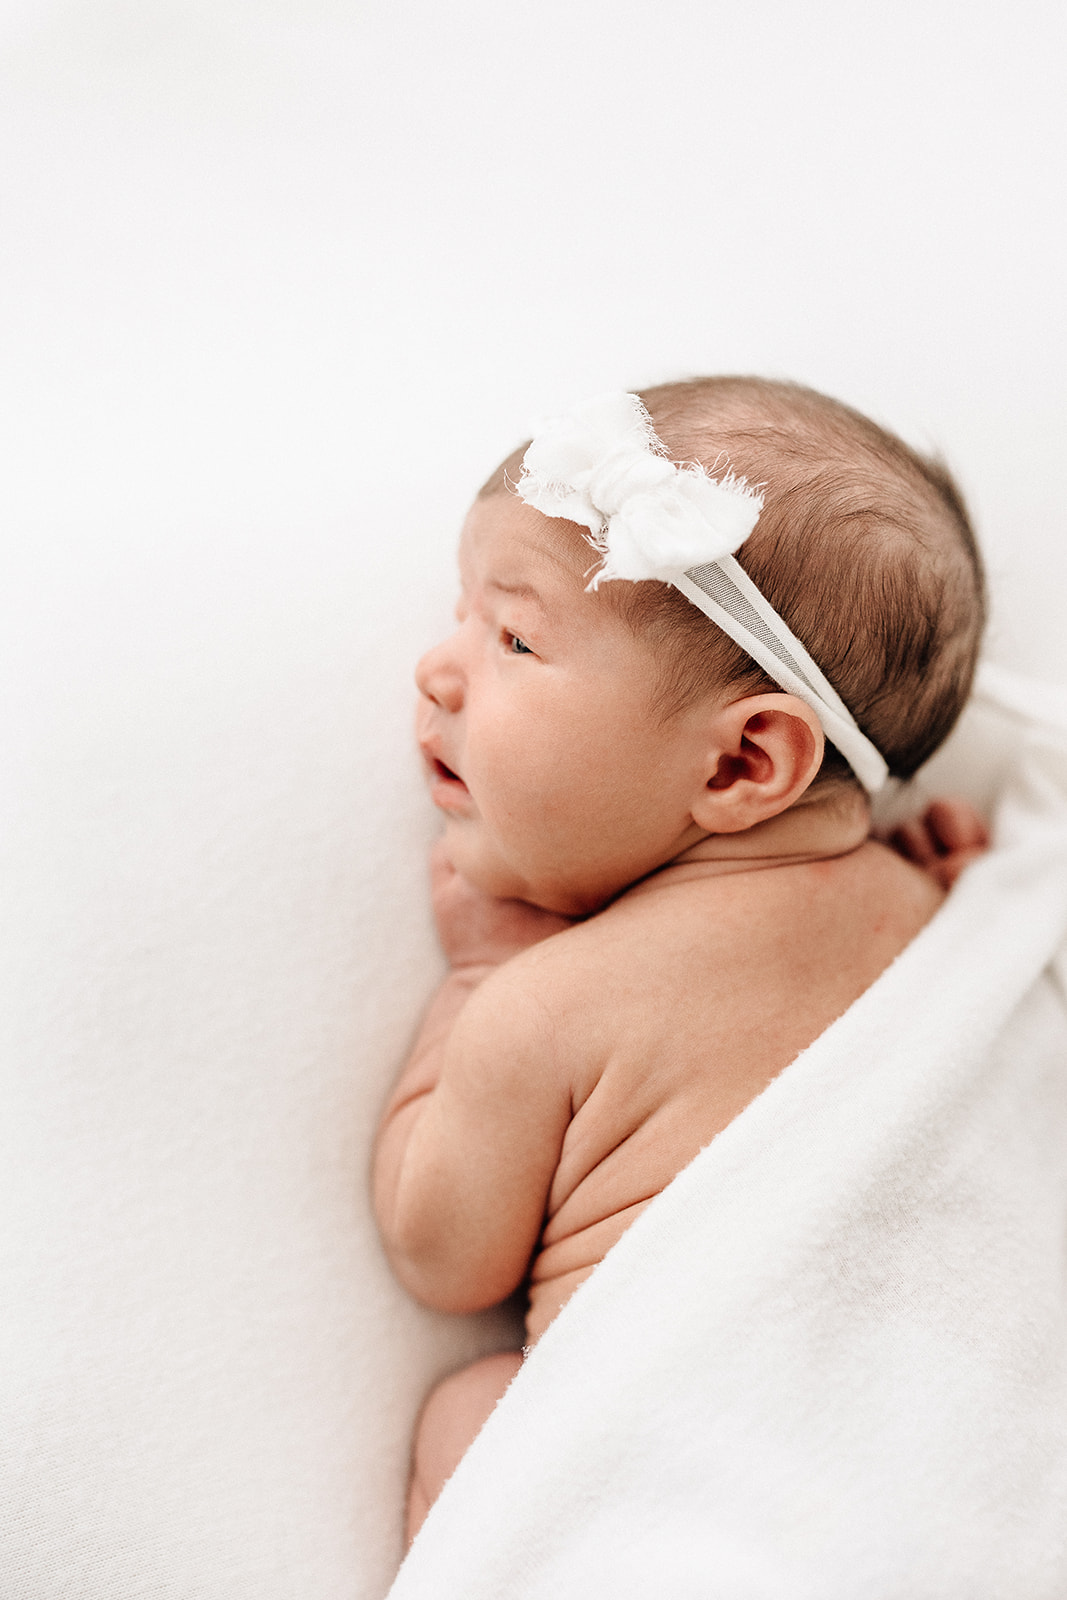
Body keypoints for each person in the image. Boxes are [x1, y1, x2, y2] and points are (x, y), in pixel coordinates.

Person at [372, 377, 990, 1542]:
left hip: (693, 1504)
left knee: (470, 1413)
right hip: (944, 1492)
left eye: (511, 636)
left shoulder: (543, 1008)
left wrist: (472, 984)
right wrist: (970, 907)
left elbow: (437, 1250)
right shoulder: (949, 916)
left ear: (741, 764)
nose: (435, 670)